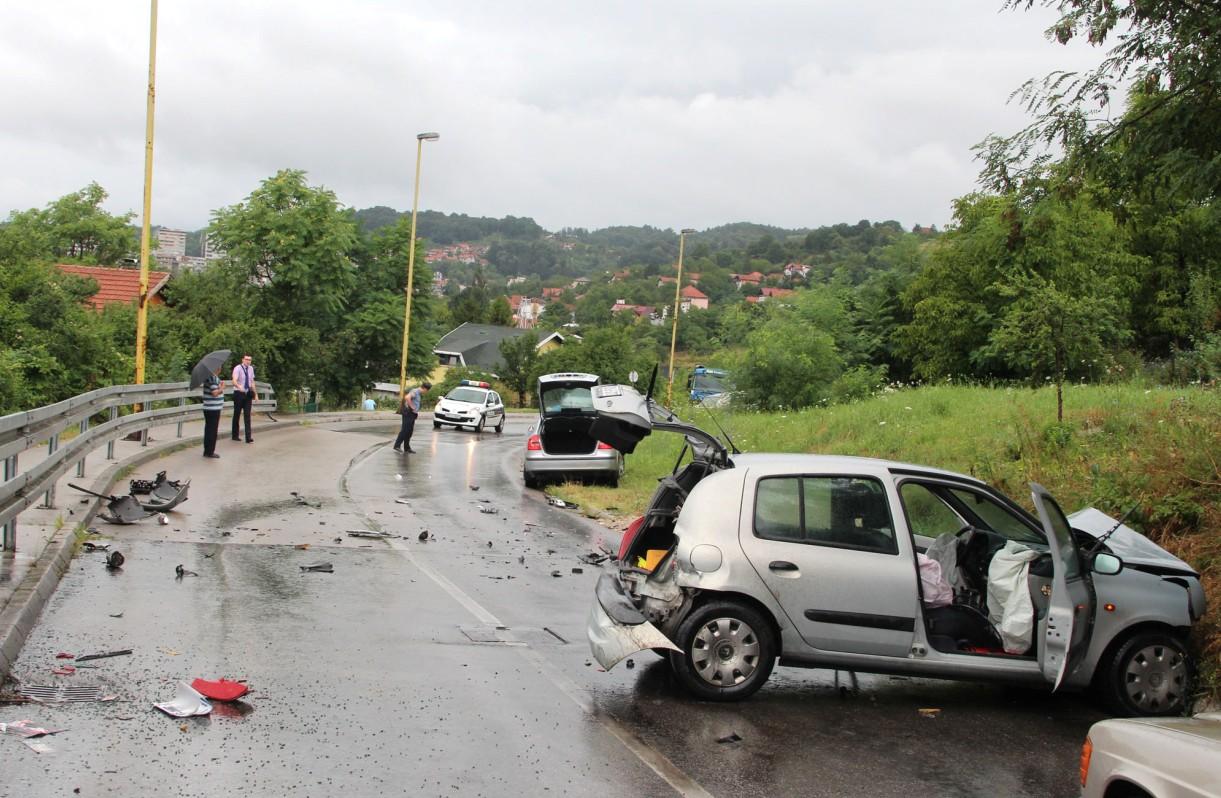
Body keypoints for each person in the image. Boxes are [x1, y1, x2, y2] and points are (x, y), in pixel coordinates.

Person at [393, 381, 431, 453]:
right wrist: (412, 407)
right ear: (425, 389)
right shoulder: (415, 391)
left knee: (409, 431)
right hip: (408, 413)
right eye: (427, 391)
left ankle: (407, 448)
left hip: (412, 414)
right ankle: (397, 445)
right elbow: (407, 397)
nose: (426, 392)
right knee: (405, 430)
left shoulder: (418, 393)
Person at [231, 353, 258, 443]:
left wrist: (255, 394)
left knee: (247, 415)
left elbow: (252, 381)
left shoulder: (251, 369)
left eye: (249, 360)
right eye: (246, 359)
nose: (248, 361)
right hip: (239, 393)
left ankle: (248, 437)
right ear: (242, 360)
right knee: (237, 414)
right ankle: (235, 435)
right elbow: (234, 380)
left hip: (248, 394)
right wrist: (239, 386)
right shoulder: (238, 368)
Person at [201, 366, 224, 458]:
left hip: (208, 407)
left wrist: (219, 386)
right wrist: (222, 388)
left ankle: (207, 450)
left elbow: (213, 389)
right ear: (217, 369)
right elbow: (214, 393)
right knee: (212, 431)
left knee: (208, 429)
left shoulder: (209, 377)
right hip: (213, 408)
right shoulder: (213, 378)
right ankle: (210, 451)